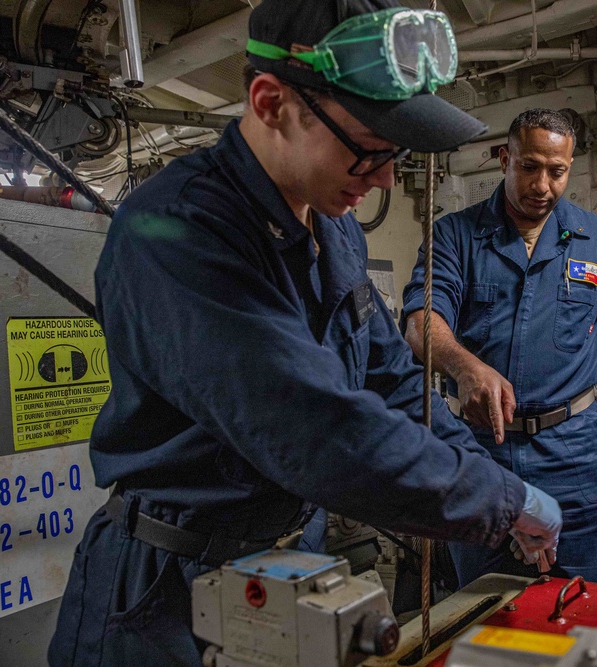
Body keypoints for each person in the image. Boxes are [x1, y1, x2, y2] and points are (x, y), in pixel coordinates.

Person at [48, 2, 562, 665]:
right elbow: (315, 428)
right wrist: (500, 498)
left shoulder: (333, 223)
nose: (383, 177)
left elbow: (397, 386)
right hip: (170, 593)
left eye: (397, 152)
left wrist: (492, 482)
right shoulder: (175, 232)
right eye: (369, 150)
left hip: (294, 567)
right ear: (271, 103)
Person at [401, 108, 597, 586]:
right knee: (484, 607)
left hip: (574, 455)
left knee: (590, 605)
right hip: (480, 451)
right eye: (529, 167)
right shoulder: (455, 235)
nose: (542, 186)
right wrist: (464, 366)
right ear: (504, 158)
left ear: (570, 167)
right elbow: (421, 323)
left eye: (556, 172)